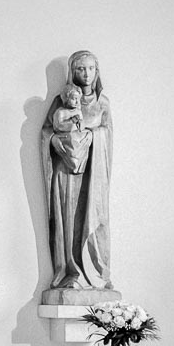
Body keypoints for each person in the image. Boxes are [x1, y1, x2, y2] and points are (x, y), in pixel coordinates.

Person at [39, 49, 111, 293]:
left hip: (92, 172)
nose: (86, 74)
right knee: (69, 222)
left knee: (95, 219)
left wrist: (93, 135)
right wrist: (55, 142)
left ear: (97, 71)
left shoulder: (103, 104)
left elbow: (108, 136)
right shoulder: (60, 102)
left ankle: (96, 274)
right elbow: (47, 132)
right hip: (67, 173)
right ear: (72, 72)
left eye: (91, 68)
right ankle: (71, 272)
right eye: (81, 69)